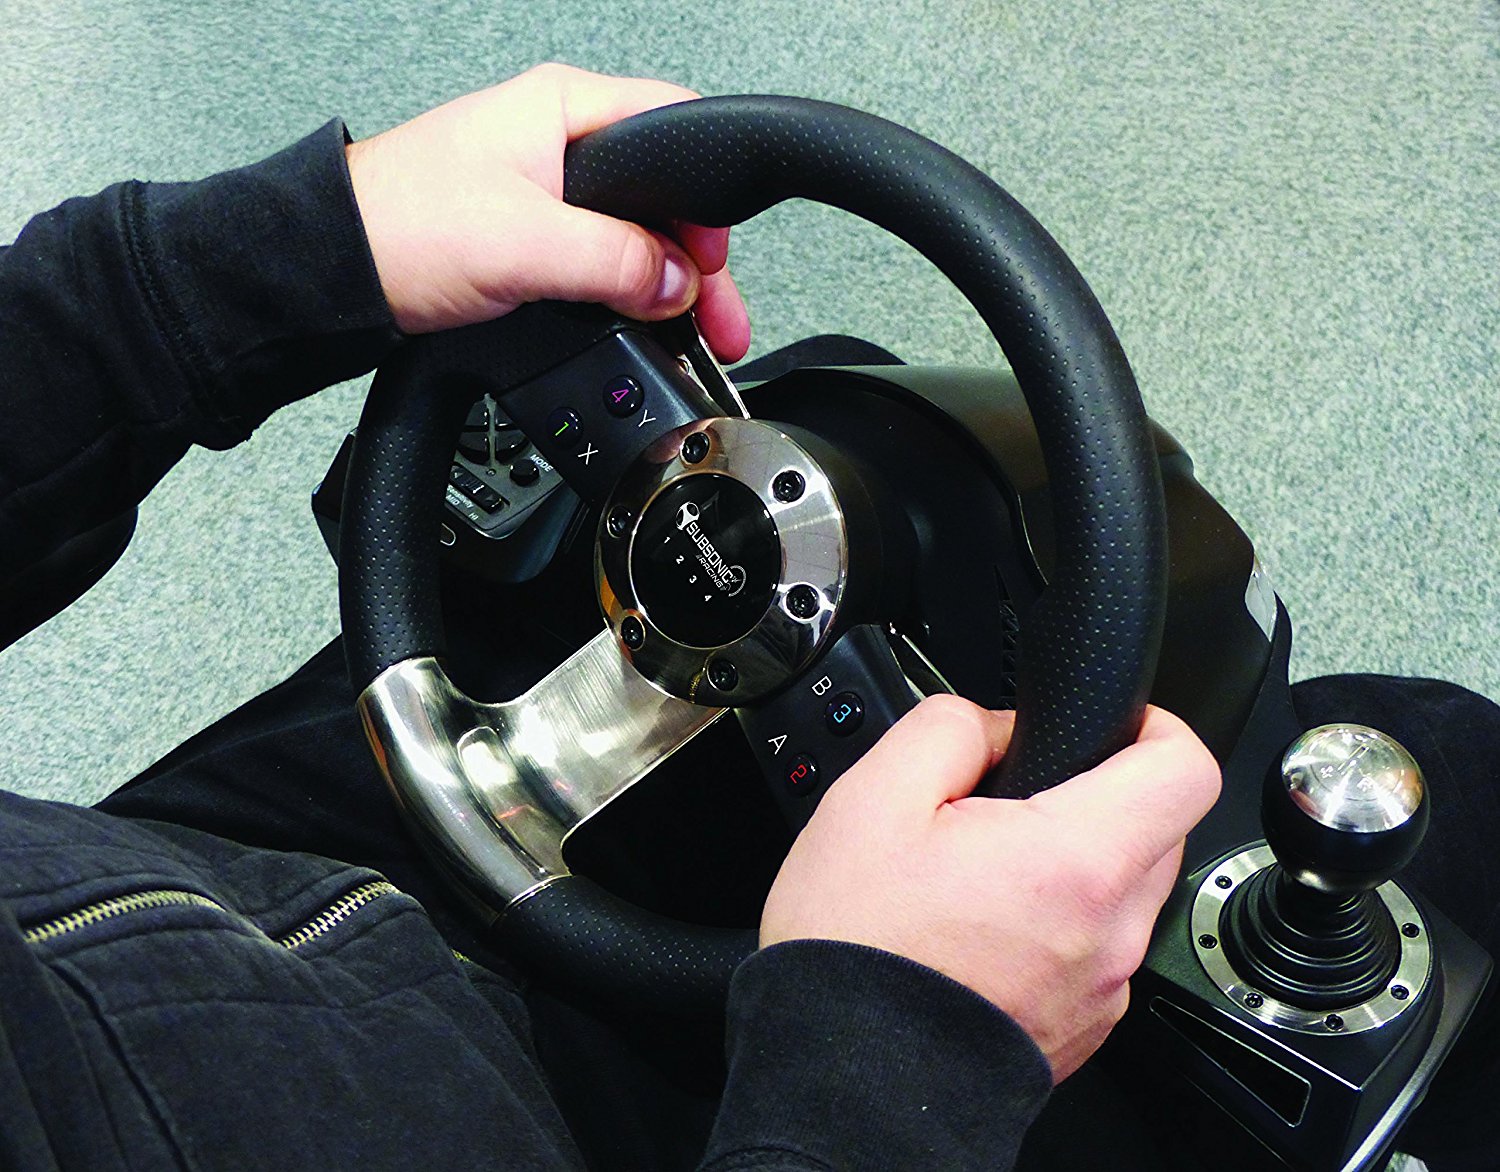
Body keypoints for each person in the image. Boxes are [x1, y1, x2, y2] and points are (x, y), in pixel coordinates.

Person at [0, 64, 1494, 1171]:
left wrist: (240, 268)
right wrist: (891, 1060)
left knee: (819, 389)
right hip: (583, 1113)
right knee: (1451, 776)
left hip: (228, 882)